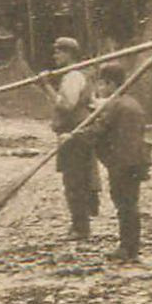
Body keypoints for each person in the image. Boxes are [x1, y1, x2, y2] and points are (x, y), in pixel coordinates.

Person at [70, 62, 152, 262]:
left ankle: (126, 249)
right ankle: (131, 248)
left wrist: (72, 137)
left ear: (111, 84)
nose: (100, 89)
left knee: (124, 205)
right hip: (138, 161)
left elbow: (97, 132)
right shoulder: (133, 103)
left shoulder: (114, 105)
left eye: (102, 85)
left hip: (122, 163)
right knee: (130, 204)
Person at [35, 37, 100, 239]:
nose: (55, 56)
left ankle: (81, 227)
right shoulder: (77, 75)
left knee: (74, 181)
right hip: (76, 133)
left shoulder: (73, 77)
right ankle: (80, 224)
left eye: (58, 52)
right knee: (77, 179)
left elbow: (66, 106)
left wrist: (46, 86)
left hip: (74, 134)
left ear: (69, 54)